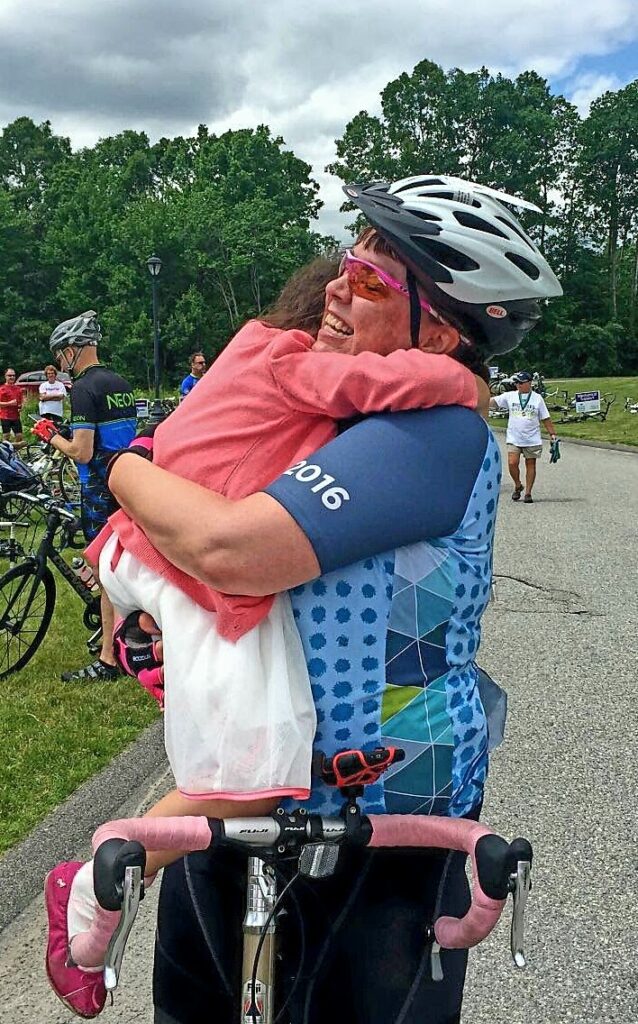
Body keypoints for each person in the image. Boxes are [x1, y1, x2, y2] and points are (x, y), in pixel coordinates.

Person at [45, 176, 562, 1023]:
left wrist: (118, 468)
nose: (334, 284)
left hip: (382, 820)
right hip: (251, 791)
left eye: (369, 281)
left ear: (438, 327)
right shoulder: (326, 403)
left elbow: (227, 547)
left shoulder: (434, 431)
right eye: (347, 259)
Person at [32, 311, 137, 681]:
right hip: (130, 482)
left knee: (104, 572)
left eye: (61, 355)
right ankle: (129, 639)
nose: (60, 363)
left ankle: (109, 658)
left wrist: (49, 435)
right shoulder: (120, 383)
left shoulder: (83, 389)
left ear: (74, 350)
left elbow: (82, 451)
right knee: (123, 565)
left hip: (98, 488)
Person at [489, 370, 558, 503]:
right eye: (517, 383)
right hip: (514, 438)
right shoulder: (510, 396)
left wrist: (552, 434)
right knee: (512, 463)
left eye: (521, 383)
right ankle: (517, 484)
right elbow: (493, 402)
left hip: (532, 438)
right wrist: (479, 399)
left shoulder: (537, 399)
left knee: (530, 464)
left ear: (529, 383)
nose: (518, 385)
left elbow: (546, 418)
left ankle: (528, 493)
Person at [0, 367, 24, 442]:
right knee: (6, 436)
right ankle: (5, 452)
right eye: (9, 375)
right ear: (5, 376)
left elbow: (19, 403)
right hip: (5, 416)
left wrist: (21, 407)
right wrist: (9, 403)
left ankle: (14, 452)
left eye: (13, 375)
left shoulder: (18, 389)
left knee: (19, 436)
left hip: (16, 416)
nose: (12, 377)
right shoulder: (2, 389)